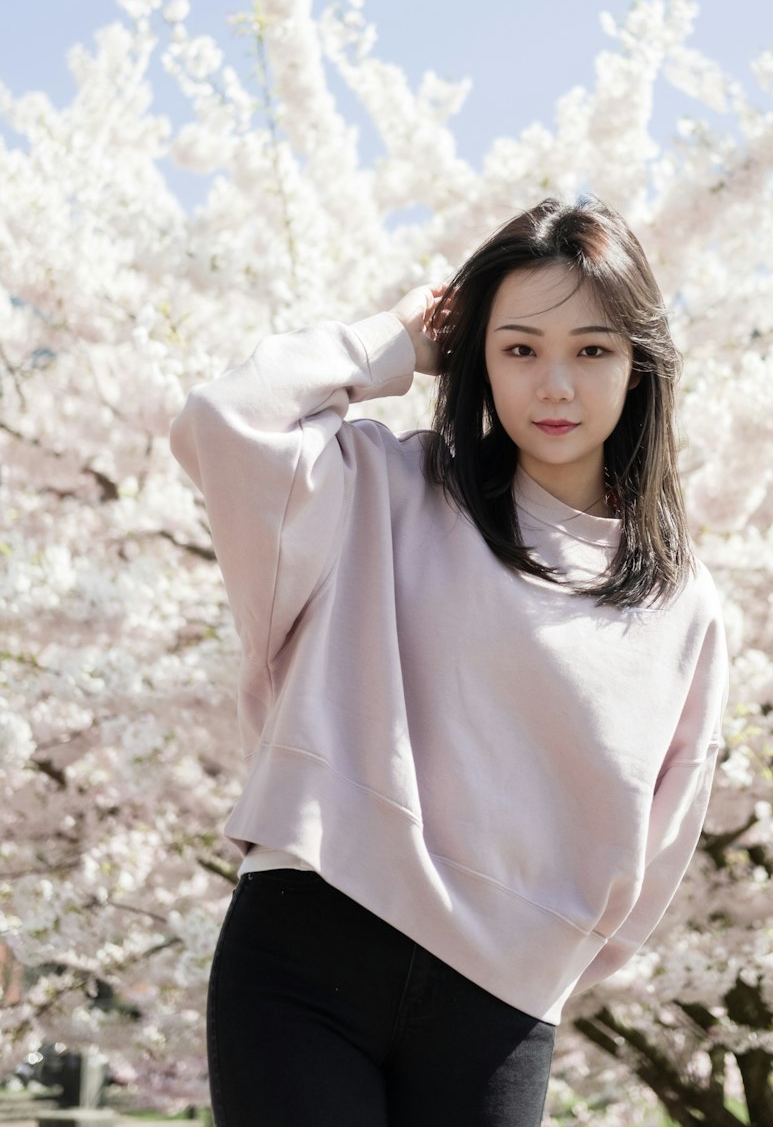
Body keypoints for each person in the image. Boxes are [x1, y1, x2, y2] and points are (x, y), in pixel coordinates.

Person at [170, 196, 728, 1127]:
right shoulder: (383, 490)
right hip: (309, 948)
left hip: (501, 1006)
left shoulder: (684, 605)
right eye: (519, 348)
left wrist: (536, 959)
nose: (555, 385)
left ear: (640, 367)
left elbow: (665, 836)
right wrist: (394, 341)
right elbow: (229, 422)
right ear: (477, 357)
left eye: (592, 350)